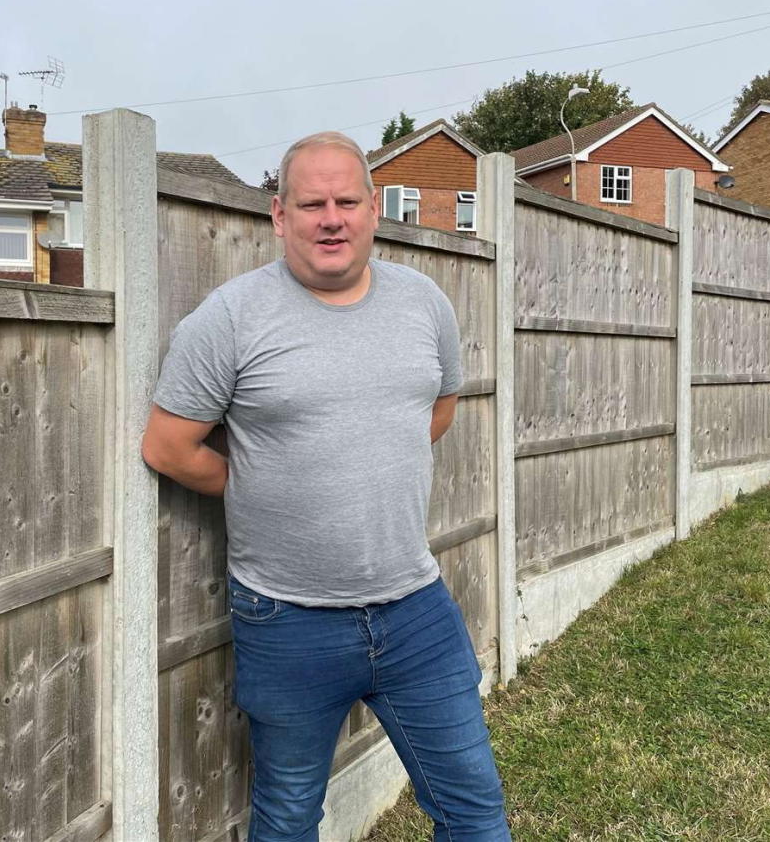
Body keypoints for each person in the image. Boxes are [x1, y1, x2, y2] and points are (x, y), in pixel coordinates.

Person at [141, 131, 510, 841]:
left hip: (415, 610)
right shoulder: (229, 319)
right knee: (286, 817)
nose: (331, 218)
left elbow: (435, 411)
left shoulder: (425, 304)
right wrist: (263, 483)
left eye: (347, 201)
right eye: (312, 203)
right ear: (280, 216)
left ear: (375, 210)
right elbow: (168, 446)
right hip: (287, 620)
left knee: (474, 809)